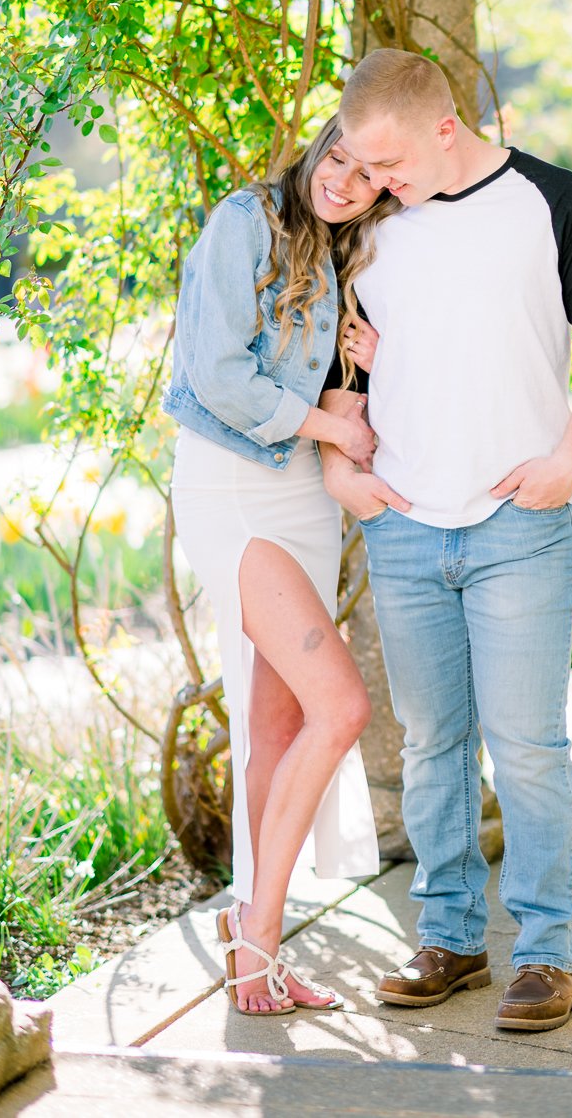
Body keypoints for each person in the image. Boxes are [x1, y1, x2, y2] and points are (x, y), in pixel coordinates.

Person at [319, 49, 572, 1032]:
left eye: (389, 163)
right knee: (432, 743)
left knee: (529, 744)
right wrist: (346, 473)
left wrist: (565, 464)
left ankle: (545, 953)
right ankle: (450, 936)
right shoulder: (375, 229)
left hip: (519, 525)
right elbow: (344, 353)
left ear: (444, 127)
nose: (375, 184)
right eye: (362, 167)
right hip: (407, 527)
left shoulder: (552, 203)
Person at [163, 116, 396, 1015]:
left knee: (277, 722)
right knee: (341, 706)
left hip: (300, 495)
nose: (345, 180)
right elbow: (217, 372)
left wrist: (370, 370)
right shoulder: (244, 221)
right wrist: (334, 424)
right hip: (233, 489)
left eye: (369, 173)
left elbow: (343, 393)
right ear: (315, 149)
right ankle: (258, 937)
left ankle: (252, 929)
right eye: (338, 157)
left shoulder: (344, 257)